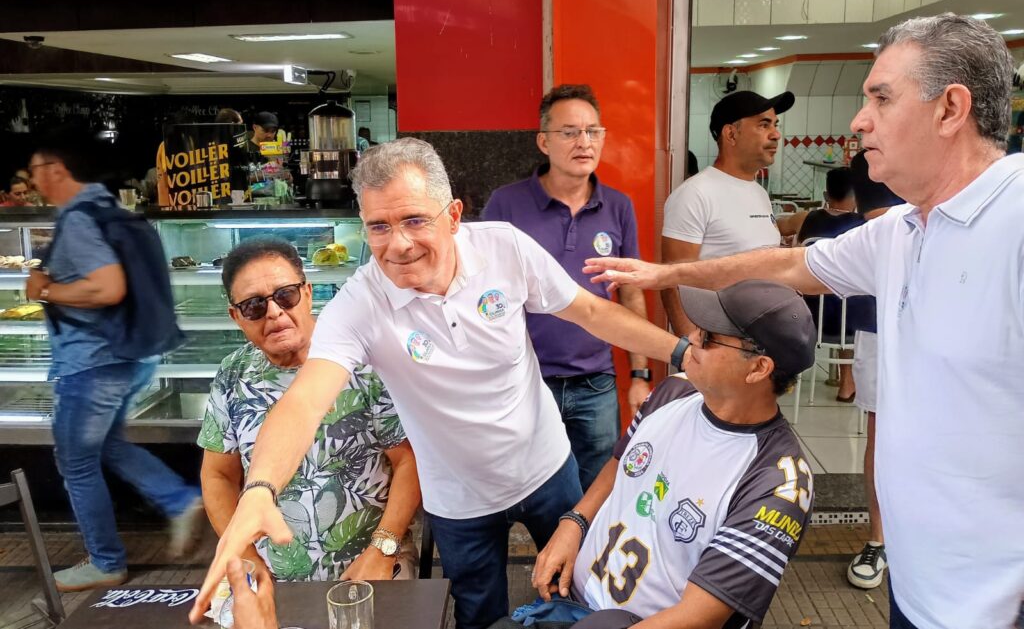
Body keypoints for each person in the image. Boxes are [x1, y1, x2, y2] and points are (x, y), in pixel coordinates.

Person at [583, 14, 1024, 629]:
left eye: (880, 97)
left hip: (1000, 602)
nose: (858, 120)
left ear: (950, 108)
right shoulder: (902, 228)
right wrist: (665, 275)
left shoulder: (1015, 220)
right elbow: (789, 264)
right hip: (921, 589)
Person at [188, 137, 683, 629]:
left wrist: (682, 352)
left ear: (453, 214)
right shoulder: (361, 303)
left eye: (414, 220)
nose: (397, 244)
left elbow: (591, 311)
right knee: (477, 613)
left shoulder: (504, 248)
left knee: (583, 590)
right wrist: (259, 489)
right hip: (457, 499)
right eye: (378, 227)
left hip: (545, 468)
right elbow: (304, 400)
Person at [522, 280, 815, 629]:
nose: (691, 338)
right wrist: (574, 523)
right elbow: (620, 467)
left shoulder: (777, 482)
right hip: (572, 602)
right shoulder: (673, 391)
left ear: (758, 369)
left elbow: (701, 615)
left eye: (708, 337)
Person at [25, 129, 203, 592]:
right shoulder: (107, 208)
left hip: (93, 364)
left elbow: (107, 288)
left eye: (36, 170)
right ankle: (179, 498)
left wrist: (46, 290)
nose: (31, 179)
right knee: (105, 446)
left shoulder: (80, 220)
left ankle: (105, 561)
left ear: (57, 169)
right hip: (130, 356)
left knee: (75, 462)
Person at [198, 238, 421, 583]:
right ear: (236, 316)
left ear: (308, 292)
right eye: (254, 306)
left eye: (285, 295)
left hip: (370, 566)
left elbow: (409, 461)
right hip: (270, 575)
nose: (274, 312)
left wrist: (383, 549)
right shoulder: (233, 374)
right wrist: (246, 557)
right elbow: (218, 476)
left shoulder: (363, 361)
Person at [482, 84, 650, 491]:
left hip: (597, 384)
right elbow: (482, 293)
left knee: (597, 492)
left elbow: (630, 293)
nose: (584, 142)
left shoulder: (618, 206)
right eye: (570, 132)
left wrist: (641, 374)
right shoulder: (506, 205)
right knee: (531, 494)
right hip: (524, 382)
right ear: (544, 141)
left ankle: (586, 558)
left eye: (593, 131)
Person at [660, 90, 804, 337]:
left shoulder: (758, 193)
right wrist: (690, 349)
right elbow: (674, 282)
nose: (776, 134)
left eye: (775, 125)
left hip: (763, 336)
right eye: (763, 124)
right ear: (731, 134)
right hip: (719, 343)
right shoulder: (695, 194)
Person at [841, 149, 905, 590]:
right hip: (880, 331)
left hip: (943, 331)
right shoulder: (872, 163)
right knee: (881, 435)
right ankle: (879, 540)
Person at [796, 168, 871, 403]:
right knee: (852, 297)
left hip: (812, 320)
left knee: (826, 295)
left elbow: (784, 233)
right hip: (851, 325)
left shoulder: (808, 219)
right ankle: (847, 383)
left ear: (826, 194)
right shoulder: (865, 227)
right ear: (857, 196)